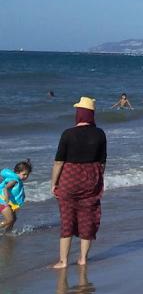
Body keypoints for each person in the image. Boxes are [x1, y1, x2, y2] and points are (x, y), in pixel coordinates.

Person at [51, 97, 108, 268]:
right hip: (91, 177)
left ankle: (63, 261)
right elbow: (102, 162)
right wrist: (97, 179)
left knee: (67, 218)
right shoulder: (100, 133)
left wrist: (54, 183)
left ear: (79, 113)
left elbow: (59, 162)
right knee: (87, 217)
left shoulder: (68, 133)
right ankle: (83, 259)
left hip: (69, 177)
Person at [1, 160, 32, 233]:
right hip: (2, 201)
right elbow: (6, 188)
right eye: (24, 174)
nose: (26, 176)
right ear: (17, 172)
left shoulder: (17, 180)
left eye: (27, 175)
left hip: (8, 202)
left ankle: (6, 233)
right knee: (9, 220)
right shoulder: (14, 180)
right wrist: (6, 201)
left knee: (13, 219)